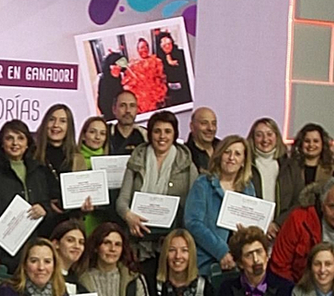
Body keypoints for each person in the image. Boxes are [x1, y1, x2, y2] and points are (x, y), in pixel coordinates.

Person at [271, 173, 334, 296]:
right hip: (297, 291)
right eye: (332, 207)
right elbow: (280, 263)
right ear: (322, 204)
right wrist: (297, 295)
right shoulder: (299, 219)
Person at [118, 108, 195, 260]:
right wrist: (129, 216)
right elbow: (122, 200)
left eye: (167, 131)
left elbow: (193, 208)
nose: (162, 136)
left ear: (175, 134)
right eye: (157, 131)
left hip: (172, 245)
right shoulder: (137, 159)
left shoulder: (187, 164)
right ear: (150, 134)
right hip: (138, 241)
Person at [183, 134, 255, 273]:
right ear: (219, 156)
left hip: (239, 264)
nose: (231, 158)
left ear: (243, 161)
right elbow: (193, 222)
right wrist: (221, 251)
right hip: (206, 262)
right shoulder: (203, 183)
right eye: (227, 152)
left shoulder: (248, 187)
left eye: (237, 154)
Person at [0, 117, 57, 232]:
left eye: (20, 138)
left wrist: (44, 210)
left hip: (35, 237)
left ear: (27, 143)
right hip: (2, 238)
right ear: (2, 143)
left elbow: (47, 205)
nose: (15, 143)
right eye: (9, 138)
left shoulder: (39, 170)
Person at [275, 122, 334, 217]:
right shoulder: (290, 168)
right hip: (293, 219)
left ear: (323, 144)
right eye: (307, 141)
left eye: (316, 141)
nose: (311, 145)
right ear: (301, 143)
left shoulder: (333, 170)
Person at [32, 103, 80, 184]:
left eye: (62, 121)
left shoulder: (77, 159)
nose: (56, 125)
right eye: (51, 119)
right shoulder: (32, 153)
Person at [246, 118, 285, 209]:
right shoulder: (245, 164)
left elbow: (296, 200)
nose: (265, 139)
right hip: (252, 221)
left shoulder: (289, 165)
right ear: (253, 138)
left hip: (283, 222)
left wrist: (277, 222)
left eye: (269, 134)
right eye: (259, 135)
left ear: (277, 136)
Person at [125, 37, 166, 112]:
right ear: (138, 50)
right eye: (142, 47)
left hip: (156, 100)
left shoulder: (157, 61)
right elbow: (128, 86)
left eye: (146, 46)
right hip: (141, 102)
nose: (144, 49)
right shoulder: (132, 66)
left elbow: (162, 78)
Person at [156, 28, 190, 103]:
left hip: (184, 90)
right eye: (164, 45)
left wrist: (173, 63)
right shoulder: (160, 59)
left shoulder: (181, 53)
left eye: (169, 44)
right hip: (171, 94)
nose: (167, 47)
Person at [108, 87, 144, 155]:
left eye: (132, 106)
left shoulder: (146, 135)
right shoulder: (105, 134)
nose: (128, 110)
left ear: (137, 109)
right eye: (122, 106)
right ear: (114, 109)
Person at [183, 106, 219, 175]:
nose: (210, 128)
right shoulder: (184, 155)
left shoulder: (224, 149)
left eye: (214, 124)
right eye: (204, 123)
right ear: (192, 126)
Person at [96, 51, 128, 124]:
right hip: (110, 117)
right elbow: (101, 103)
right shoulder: (103, 79)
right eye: (114, 65)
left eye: (119, 65)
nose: (117, 67)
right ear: (109, 66)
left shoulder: (122, 77)